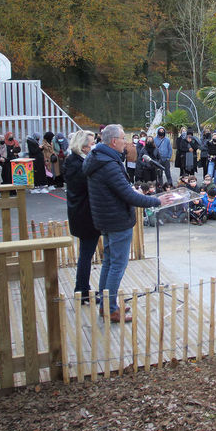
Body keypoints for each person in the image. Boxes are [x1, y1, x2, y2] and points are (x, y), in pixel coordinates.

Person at [84, 124, 170, 323]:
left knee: (109, 262)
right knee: (117, 266)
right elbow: (127, 195)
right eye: (123, 138)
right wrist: (157, 201)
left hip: (106, 218)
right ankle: (110, 309)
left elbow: (120, 190)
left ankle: (107, 304)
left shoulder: (100, 158)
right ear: (114, 141)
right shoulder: (108, 164)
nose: (126, 142)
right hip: (116, 220)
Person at [65, 130, 100, 302]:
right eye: (91, 144)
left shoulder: (75, 161)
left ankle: (83, 288)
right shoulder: (77, 164)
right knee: (86, 255)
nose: (93, 147)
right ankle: (82, 290)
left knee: (85, 254)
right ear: (83, 146)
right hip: (85, 215)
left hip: (81, 213)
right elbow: (88, 185)